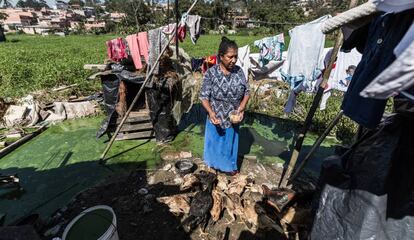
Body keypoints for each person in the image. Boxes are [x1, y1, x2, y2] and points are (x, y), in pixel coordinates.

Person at [199, 37, 250, 175]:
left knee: (229, 144)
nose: (234, 60)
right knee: (214, 143)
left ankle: (228, 167)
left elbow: (247, 92)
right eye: (230, 57)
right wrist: (210, 112)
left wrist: (241, 108)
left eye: (236, 57)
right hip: (216, 116)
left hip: (233, 116)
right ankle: (213, 166)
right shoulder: (211, 73)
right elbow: (203, 96)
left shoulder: (239, 72)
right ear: (221, 56)